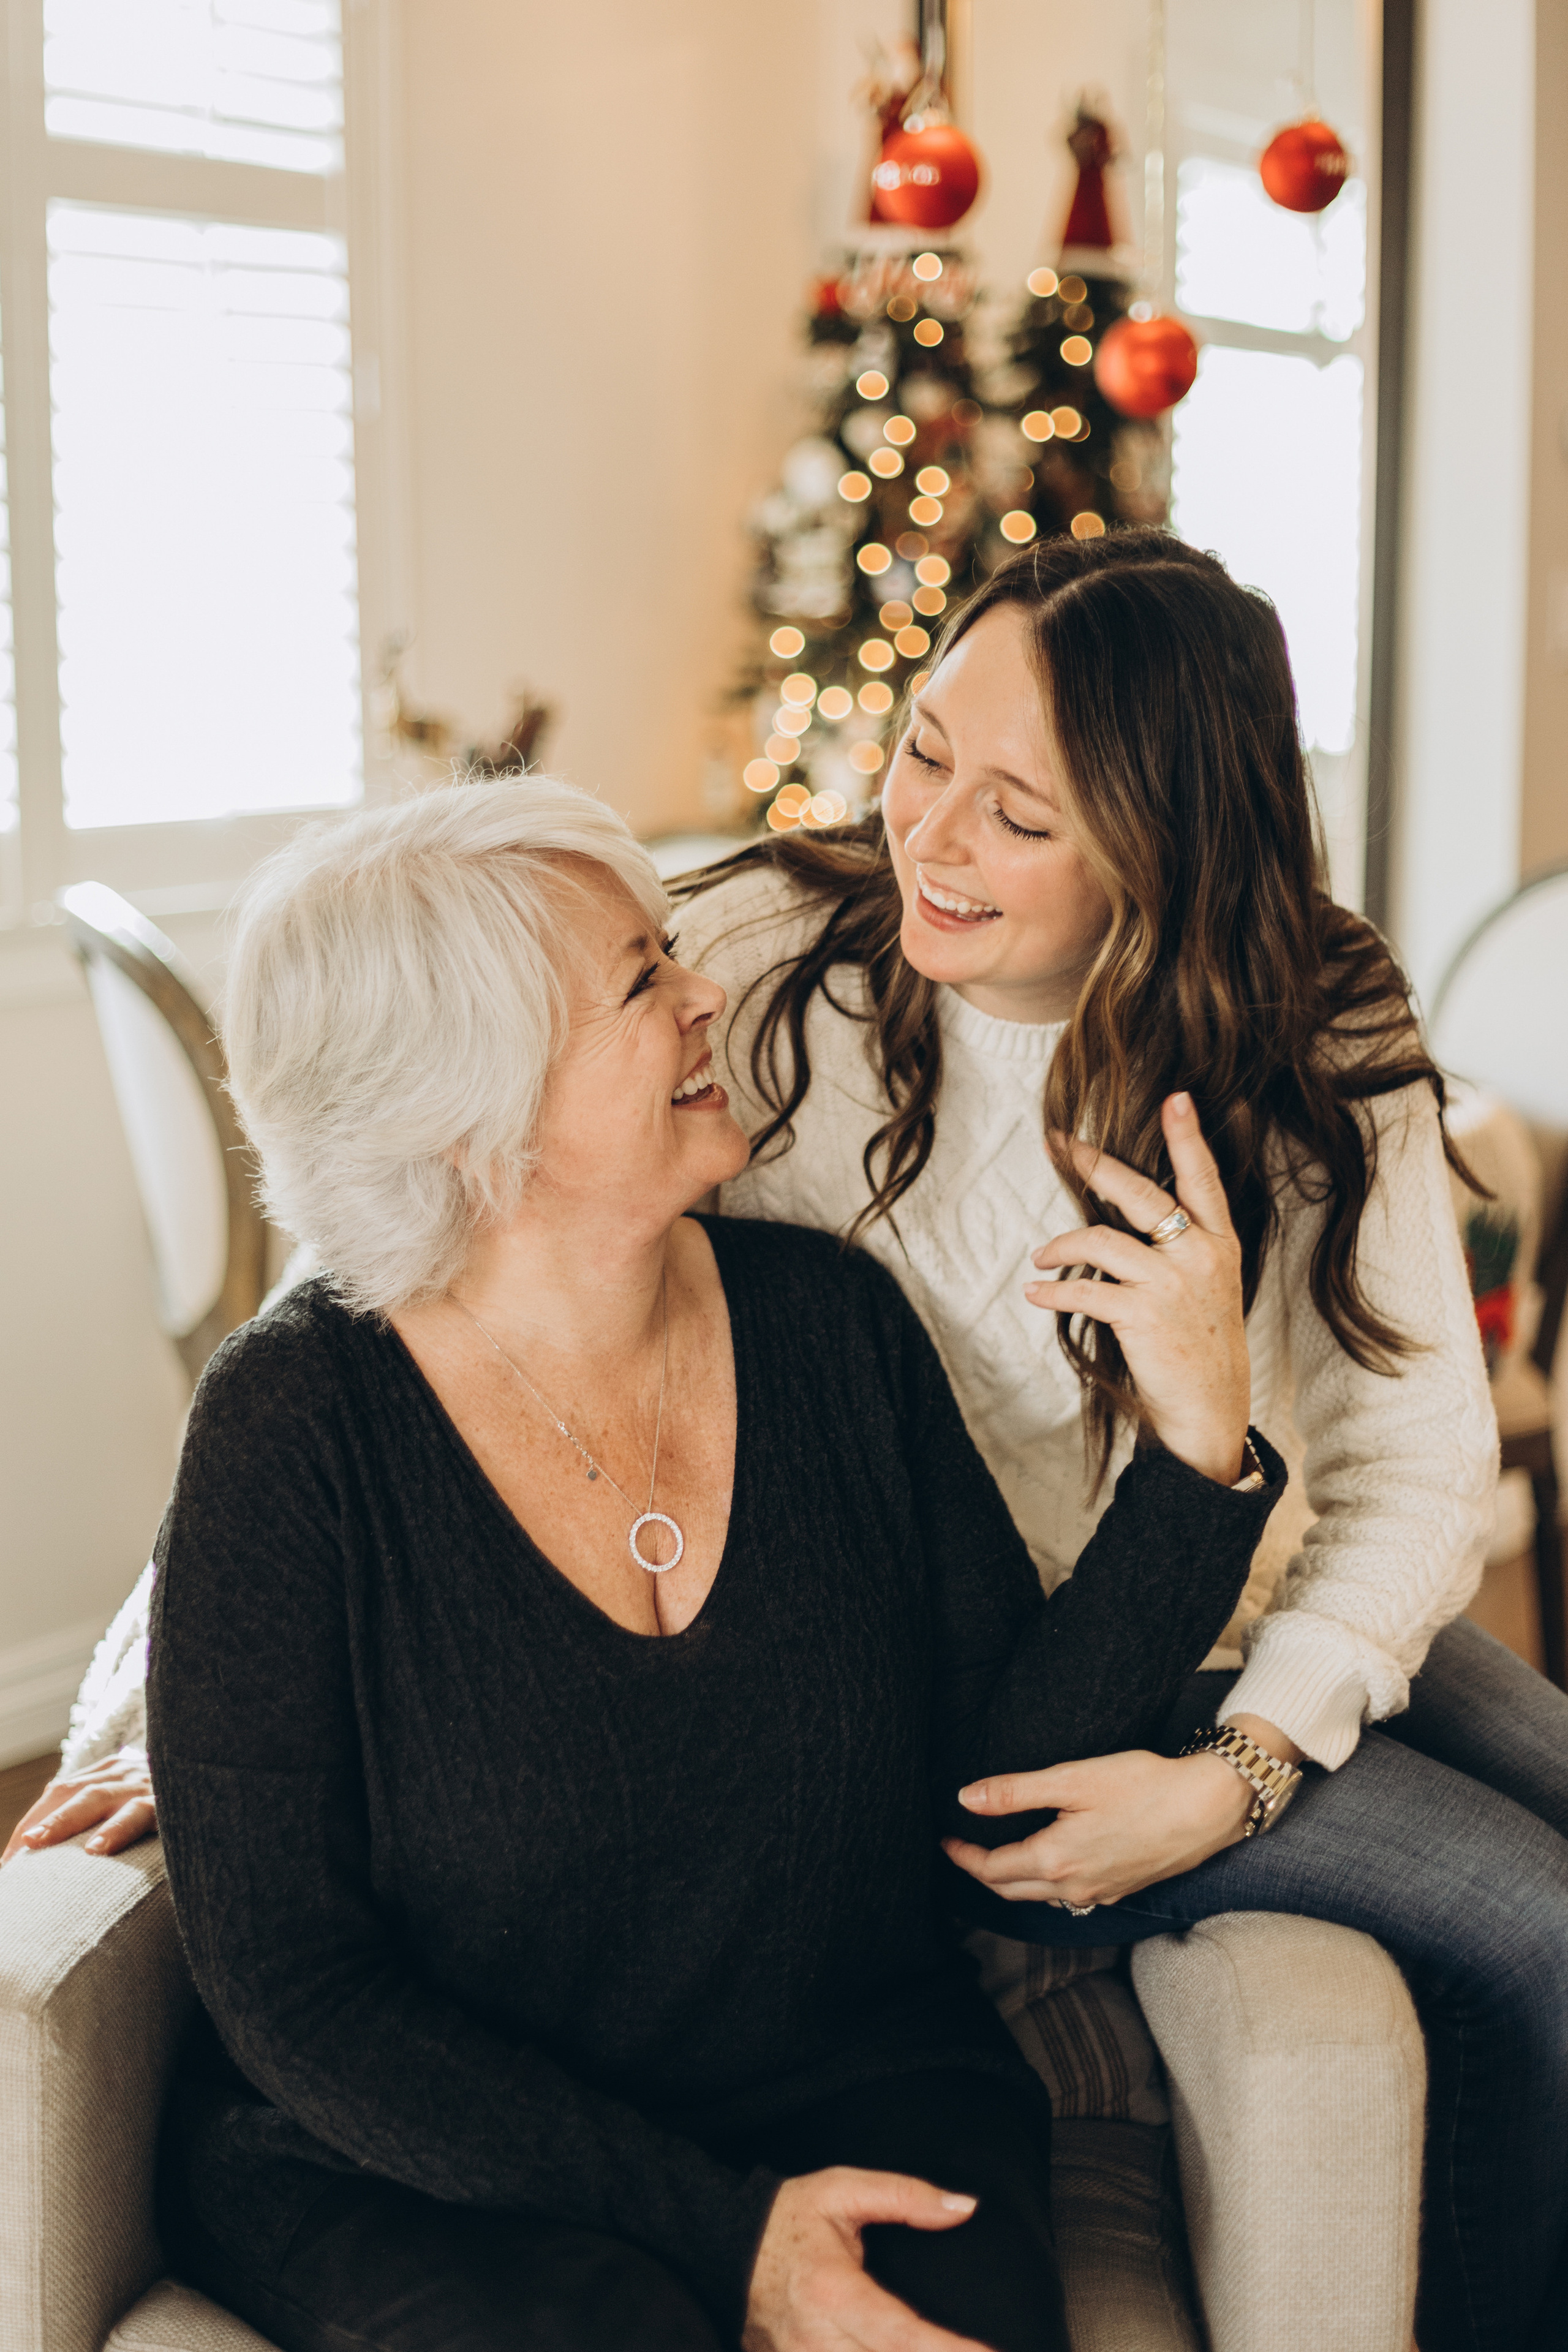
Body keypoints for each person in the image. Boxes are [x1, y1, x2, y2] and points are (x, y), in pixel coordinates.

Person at [14, 532, 1566, 2345]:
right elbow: (377, 1269)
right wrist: (168, 1712)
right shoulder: (769, 953)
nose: (927, 835)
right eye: (922, 752)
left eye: (1020, 811)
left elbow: (1409, 1459)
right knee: (1539, 1928)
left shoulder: (1293, 1028)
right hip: (1004, 1671)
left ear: (1161, 850)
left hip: (1209, 1610)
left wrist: (1238, 1710)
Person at [137, 778, 1280, 2352]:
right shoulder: (295, 1421)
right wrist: (720, 2235)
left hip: (850, 2074)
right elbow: (292, 1989)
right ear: (474, 1112)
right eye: (638, 978)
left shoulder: (827, 1327)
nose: (706, 996)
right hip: (426, 2146)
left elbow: (999, 1774)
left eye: (672, 949)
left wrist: (1196, 1449)